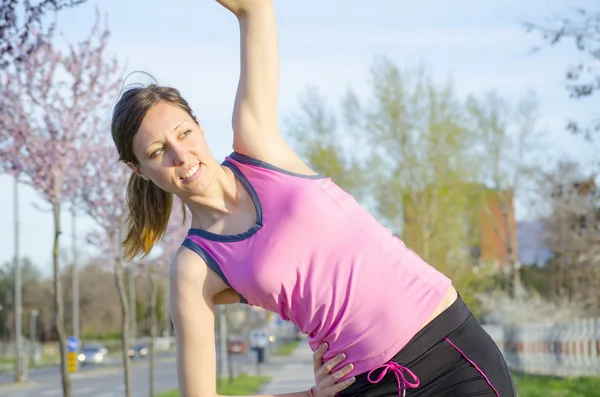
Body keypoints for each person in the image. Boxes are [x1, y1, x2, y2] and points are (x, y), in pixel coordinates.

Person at [110, 1, 517, 396]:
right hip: (365, 388)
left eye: (183, 133)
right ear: (138, 169)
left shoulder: (258, 148)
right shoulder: (195, 267)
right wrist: (309, 395)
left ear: (198, 125)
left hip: (450, 352)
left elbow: (255, 8)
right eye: (157, 152)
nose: (181, 155)